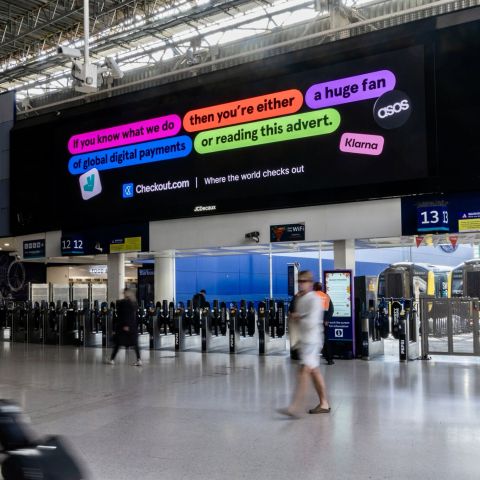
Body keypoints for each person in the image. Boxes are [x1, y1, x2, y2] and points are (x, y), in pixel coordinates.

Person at [278, 271, 330, 418]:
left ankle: (295, 407)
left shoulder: (314, 299)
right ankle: (324, 403)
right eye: (299, 281)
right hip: (305, 341)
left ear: (310, 283)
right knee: (314, 372)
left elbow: (312, 322)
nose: (301, 284)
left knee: (303, 371)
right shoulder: (299, 299)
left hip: (312, 341)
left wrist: (298, 317)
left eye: (304, 281)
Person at [108, 289, 142, 366]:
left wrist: (125, 325)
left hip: (124, 326)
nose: (123, 294)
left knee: (118, 343)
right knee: (134, 343)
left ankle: (112, 359)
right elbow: (133, 315)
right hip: (132, 326)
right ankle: (139, 360)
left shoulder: (124, 303)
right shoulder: (133, 302)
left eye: (124, 293)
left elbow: (125, 315)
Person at [313, 282, 335, 365]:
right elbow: (331, 310)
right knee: (325, 340)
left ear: (314, 288)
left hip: (314, 322)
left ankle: (311, 359)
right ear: (321, 288)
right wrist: (327, 320)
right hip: (324, 322)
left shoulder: (312, 296)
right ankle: (329, 359)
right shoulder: (326, 296)